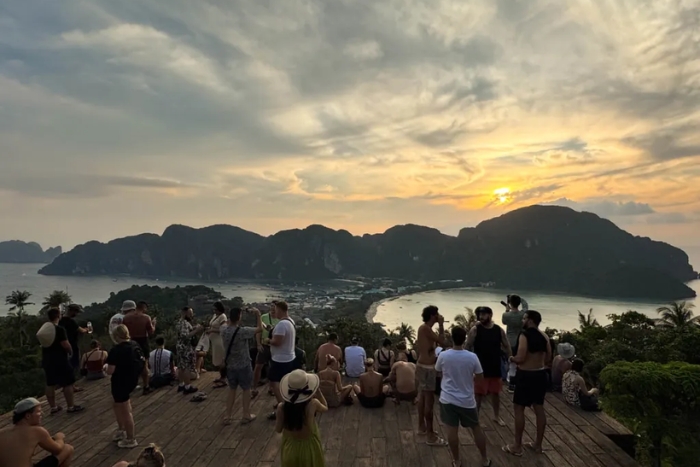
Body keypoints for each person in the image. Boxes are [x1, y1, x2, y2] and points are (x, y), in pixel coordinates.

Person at [436, 327, 491, 467]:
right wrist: (469, 378)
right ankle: (484, 459)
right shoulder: (472, 357)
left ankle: (457, 461)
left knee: (451, 430)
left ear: (452, 339)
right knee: (476, 428)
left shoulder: (444, 355)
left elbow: (438, 372)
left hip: (448, 399)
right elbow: (480, 378)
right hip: (467, 400)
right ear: (464, 338)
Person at [503, 310, 551, 457]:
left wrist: (511, 358)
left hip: (526, 375)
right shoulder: (544, 336)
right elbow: (549, 358)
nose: (522, 320)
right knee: (539, 409)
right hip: (540, 374)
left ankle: (517, 446)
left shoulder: (524, 335)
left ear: (529, 320)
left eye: (524, 318)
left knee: (519, 409)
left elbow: (521, 357)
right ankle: (538, 445)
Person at [466, 306, 511, 427]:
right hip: (480, 367)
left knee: (495, 393)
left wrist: (510, 358)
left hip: (495, 366)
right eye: (480, 314)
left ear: (490, 315)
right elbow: (467, 346)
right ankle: (475, 418)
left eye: (484, 314)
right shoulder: (475, 330)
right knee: (479, 395)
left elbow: (506, 345)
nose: (481, 317)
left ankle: (496, 417)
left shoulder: (498, 330)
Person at [0, 398, 74, 467]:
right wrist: (59, 438)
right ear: (28, 416)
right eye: (38, 411)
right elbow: (57, 449)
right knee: (67, 448)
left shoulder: (2, 432)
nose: (42, 414)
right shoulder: (37, 431)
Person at [274, 369, 327, 467]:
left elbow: (278, 429)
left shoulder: (281, 407)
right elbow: (325, 407)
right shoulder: (313, 404)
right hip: (309, 448)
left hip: (290, 448)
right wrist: (318, 392)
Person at [39, 308, 84, 415]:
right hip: (60, 359)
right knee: (68, 383)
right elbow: (65, 344)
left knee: (50, 383)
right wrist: (70, 352)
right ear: (58, 316)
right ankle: (71, 406)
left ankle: (53, 407)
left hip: (47, 359)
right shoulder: (59, 329)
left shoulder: (45, 329)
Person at [222, 307, 263, 425]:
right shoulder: (242, 331)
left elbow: (224, 324)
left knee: (232, 390)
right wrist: (258, 315)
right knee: (246, 389)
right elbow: (259, 329)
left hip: (230, 365)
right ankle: (246, 415)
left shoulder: (224, 330)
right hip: (244, 365)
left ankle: (227, 416)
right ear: (239, 317)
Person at [108, 325, 145, 449]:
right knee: (118, 404)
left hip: (120, 381)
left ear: (117, 336)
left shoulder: (116, 350)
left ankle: (130, 438)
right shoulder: (135, 345)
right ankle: (121, 430)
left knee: (125, 410)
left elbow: (110, 370)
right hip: (132, 379)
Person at [415, 305, 446, 446]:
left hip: (421, 365)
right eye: (437, 314)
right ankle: (430, 435)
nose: (439, 315)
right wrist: (441, 325)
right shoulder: (426, 329)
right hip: (427, 368)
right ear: (432, 316)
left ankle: (422, 426)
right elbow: (443, 341)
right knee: (429, 400)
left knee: (422, 396)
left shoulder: (424, 329)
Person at [268, 301, 297, 420]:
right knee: (285, 383)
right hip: (289, 356)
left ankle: (283, 407)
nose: (274, 311)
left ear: (280, 309)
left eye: (275, 309)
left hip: (280, 359)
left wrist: (267, 340)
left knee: (275, 383)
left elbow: (277, 342)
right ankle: (285, 402)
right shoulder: (291, 321)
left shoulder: (281, 324)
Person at [123, 301, 156, 395]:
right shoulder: (146, 318)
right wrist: (153, 324)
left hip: (130, 342)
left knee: (131, 363)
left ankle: (130, 385)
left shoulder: (126, 317)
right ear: (144, 308)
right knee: (144, 365)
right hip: (142, 341)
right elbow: (151, 332)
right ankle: (146, 386)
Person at [58, 304, 89, 388]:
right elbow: (81, 330)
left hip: (62, 347)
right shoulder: (71, 321)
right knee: (73, 366)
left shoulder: (60, 320)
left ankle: (66, 385)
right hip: (72, 346)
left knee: (66, 366)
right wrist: (87, 330)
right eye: (76, 312)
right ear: (72, 311)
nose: (77, 314)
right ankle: (72, 385)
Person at [253, 302, 280, 397]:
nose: (272, 309)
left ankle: (271, 388)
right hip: (264, 345)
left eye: (275, 307)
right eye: (271, 307)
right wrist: (258, 343)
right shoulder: (264, 317)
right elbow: (258, 330)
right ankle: (254, 388)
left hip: (274, 347)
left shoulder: (280, 320)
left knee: (273, 368)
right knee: (258, 367)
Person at [501, 294, 527, 393]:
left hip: (510, 341)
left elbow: (504, 322)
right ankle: (519, 383)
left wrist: (507, 309)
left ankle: (511, 385)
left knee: (511, 363)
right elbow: (525, 306)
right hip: (521, 340)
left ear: (511, 303)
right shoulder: (523, 314)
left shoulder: (506, 315)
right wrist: (521, 298)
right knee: (520, 363)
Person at [176, 307, 204, 395]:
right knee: (187, 367)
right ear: (184, 313)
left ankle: (181, 384)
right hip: (185, 348)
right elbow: (185, 336)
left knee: (181, 366)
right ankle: (187, 387)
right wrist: (197, 330)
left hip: (180, 347)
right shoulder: (184, 323)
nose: (192, 315)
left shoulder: (180, 322)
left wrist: (194, 328)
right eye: (190, 313)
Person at [208, 301, 228, 388]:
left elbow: (223, 330)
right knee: (217, 358)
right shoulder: (215, 316)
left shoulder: (223, 317)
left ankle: (224, 378)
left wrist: (212, 330)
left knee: (221, 359)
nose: (214, 311)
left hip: (219, 340)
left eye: (216, 309)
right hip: (214, 340)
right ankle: (221, 376)